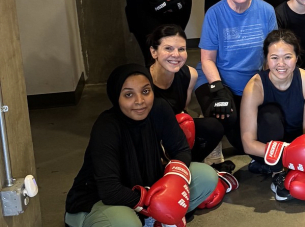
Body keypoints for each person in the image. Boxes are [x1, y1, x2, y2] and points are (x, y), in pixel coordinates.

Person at [65, 64, 219, 227]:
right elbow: (109, 190)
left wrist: (174, 179)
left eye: (146, 91)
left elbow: (181, 150)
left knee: (206, 176)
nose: (140, 101)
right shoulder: (106, 127)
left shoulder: (159, 108)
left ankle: (154, 219)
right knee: (126, 224)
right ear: (116, 96)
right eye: (129, 94)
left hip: (146, 188)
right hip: (99, 201)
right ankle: (150, 218)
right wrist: (152, 205)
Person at [240, 29, 305, 200]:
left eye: (287, 57)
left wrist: (300, 155)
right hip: (268, 147)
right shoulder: (254, 87)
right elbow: (248, 144)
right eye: (274, 57)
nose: (281, 64)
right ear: (266, 59)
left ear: (297, 57)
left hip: (297, 145)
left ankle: (283, 168)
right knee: (270, 115)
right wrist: (286, 156)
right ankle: (276, 172)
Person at [194, 0, 277, 149]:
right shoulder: (214, 14)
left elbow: (271, 53)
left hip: (251, 82)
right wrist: (218, 89)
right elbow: (207, 60)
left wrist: (267, 83)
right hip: (218, 79)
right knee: (226, 120)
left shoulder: (266, 11)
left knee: (260, 133)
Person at [147, 24, 225, 167]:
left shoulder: (190, 75)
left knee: (213, 127)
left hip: (172, 134)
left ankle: (189, 164)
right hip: (149, 139)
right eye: (168, 48)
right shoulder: (144, 82)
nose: (176, 54)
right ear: (154, 52)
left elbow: (182, 112)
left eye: (181, 49)